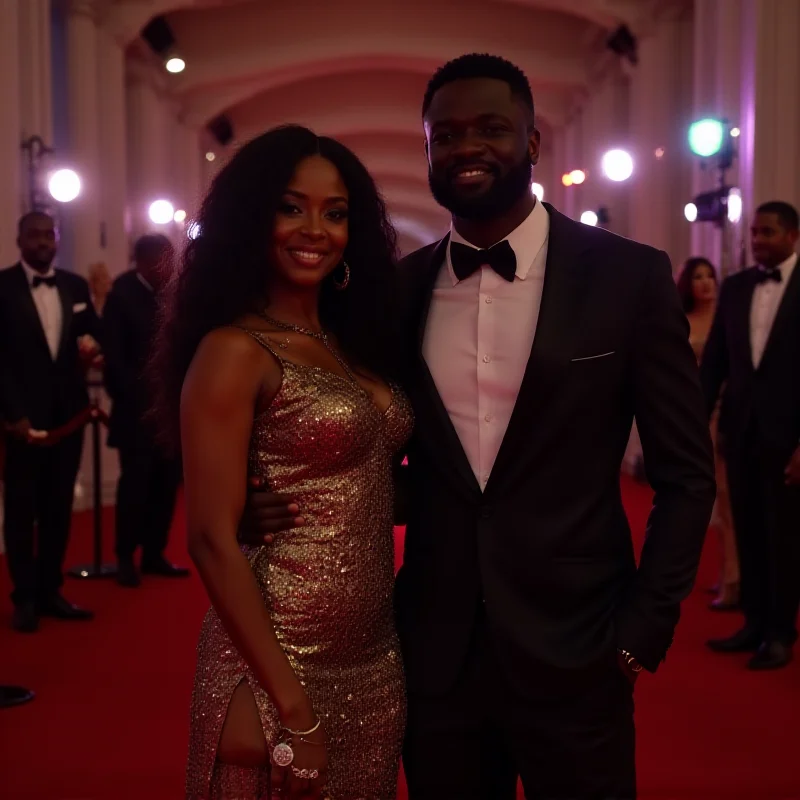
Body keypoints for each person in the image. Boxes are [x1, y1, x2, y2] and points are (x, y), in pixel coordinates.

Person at [244, 55, 716, 799]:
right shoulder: (393, 294)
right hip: (436, 655)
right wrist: (266, 495)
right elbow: (358, 442)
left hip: (581, 648)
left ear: (532, 142)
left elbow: (687, 476)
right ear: (428, 147)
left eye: (492, 128)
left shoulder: (628, 276)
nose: (468, 147)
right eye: (447, 133)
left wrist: (641, 633)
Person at [150, 126, 409, 799]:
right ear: (251, 219)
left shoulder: (355, 340)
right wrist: (293, 707)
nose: (315, 229)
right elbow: (209, 538)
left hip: (375, 660)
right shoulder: (233, 349)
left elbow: (366, 484)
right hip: (274, 664)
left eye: (336, 211)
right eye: (291, 207)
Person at [702, 201, 800, 671]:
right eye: (755, 232)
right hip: (740, 433)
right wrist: (692, 424)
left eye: (768, 232)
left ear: (793, 236)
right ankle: (754, 624)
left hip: (790, 440)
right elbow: (716, 363)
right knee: (750, 533)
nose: (758, 239)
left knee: (784, 538)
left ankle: (781, 633)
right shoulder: (737, 287)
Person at [0, 211, 100, 633]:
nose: (42, 241)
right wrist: (13, 414)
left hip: (68, 417)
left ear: (57, 239)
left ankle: (50, 590)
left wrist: (93, 349)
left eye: (49, 234)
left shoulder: (75, 285)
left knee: (59, 509)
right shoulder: (1, 287)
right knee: (22, 510)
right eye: (34, 235)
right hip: (22, 420)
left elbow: (92, 334)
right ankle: (24, 597)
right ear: (19, 239)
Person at [103, 234, 188, 588]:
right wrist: (144, 402)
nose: (167, 268)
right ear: (142, 260)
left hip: (169, 413)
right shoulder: (121, 294)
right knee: (135, 486)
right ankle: (125, 555)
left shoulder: (174, 294)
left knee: (165, 486)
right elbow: (115, 359)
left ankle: (154, 552)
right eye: (161, 260)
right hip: (136, 413)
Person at [676, 257, 739, 611]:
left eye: (710, 276)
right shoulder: (680, 321)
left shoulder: (729, 315)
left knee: (728, 498)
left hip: (727, 416)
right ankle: (730, 571)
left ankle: (734, 579)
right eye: (697, 277)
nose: (705, 283)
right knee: (713, 499)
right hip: (695, 416)